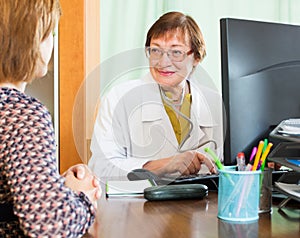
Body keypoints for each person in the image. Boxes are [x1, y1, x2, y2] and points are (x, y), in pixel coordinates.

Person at [0, 1, 101, 237]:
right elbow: (50, 227)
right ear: (29, 40)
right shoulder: (22, 114)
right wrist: (82, 197)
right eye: (51, 34)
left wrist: (55, 186)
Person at [89, 11, 223, 178]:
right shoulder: (118, 98)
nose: (163, 62)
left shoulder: (214, 103)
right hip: (140, 203)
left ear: (196, 56)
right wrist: (160, 165)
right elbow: (101, 168)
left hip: (203, 203)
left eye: (176, 52)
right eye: (155, 51)